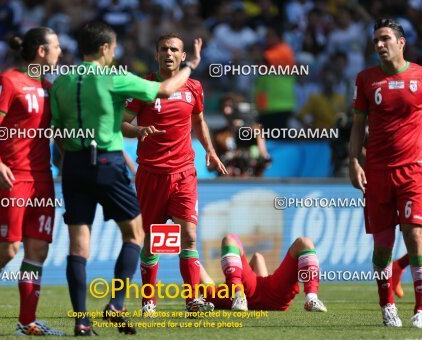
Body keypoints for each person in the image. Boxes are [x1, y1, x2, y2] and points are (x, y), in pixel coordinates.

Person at [50, 21, 202, 336]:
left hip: (74, 165)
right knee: (135, 235)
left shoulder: (61, 81)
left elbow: (57, 133)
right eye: (114, 46)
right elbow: (165, 89)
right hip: (108, 161)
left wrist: (70, 158)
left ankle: (81, 320)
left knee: (79, 247)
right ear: (105, 48)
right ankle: (117, 303)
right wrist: (189, 65)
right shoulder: (114, 77)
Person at [0, 27, 64, 336]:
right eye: (55, 46)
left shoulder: (49, 85)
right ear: (41, 52)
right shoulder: (8, 81)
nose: (60, 51)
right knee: (7, 249)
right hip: (12, 177)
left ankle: (26, 323)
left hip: (43, 179)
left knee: (37, 250)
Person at [122, 33, 227, 316]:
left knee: (189, 235)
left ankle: (193, 300)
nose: (168, 53)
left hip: (184, 173)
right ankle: (148, 302)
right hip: (151, 174)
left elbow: (199, 121)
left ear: (183, 57)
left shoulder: (194, 87)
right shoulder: (143, 87)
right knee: (153, 239)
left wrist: (211, 150)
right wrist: (139, 131)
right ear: (156, 55)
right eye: (163, 49)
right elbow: (122, 124)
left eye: (174, 49)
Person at [349, 19, 422, 328]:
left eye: (385, 39)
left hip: (413, 170)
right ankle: (386, 304)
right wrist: (354, 160)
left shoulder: (420, 76)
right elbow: (356, 125)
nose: (379, 44)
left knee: (415, 235)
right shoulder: (366, 79)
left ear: (401, 42)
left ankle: (420, 309)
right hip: (377, 173)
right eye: (376, 40)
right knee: (382, 248)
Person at [199, 234, 327, 312]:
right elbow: (257, 257)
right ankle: (312, 299)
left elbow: (195, 267)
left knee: (229, 239)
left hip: (246, 290)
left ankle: (239, 296)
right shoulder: (217, 294)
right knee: (304, 243)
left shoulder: (218, 294)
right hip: (274, 297)